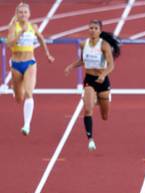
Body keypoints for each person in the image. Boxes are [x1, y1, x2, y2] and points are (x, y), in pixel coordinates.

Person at [64, 20, 120, 151]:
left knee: (104, 116)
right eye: (90, 28)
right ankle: (90, 139)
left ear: (100, 31)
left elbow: (111, 65)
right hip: (89, 80)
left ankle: (98, 99)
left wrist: (103, 74)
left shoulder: (104, 45)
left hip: (103, 81)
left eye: (95, 28)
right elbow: (82, 61)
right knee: (88, 109)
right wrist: (71, 66)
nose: (92, 30)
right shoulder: (83, 44)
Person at [6, 2, 54, 136]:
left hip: (30, 63)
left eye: (25, 12)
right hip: (16, 64)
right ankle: (14, 88)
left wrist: (47, 54)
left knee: (28, 94)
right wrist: (19, 34)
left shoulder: (33, 27)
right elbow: (8, 43)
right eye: (20, 12)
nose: (23, 14)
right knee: (19, 99)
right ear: (16, 14)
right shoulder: (13, 27)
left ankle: (26, 125)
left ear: (29, 14)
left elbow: (41, 39)